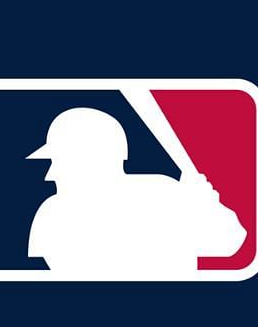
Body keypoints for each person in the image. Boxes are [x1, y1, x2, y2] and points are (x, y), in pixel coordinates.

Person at [26, 107, 245, 275]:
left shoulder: (165, 193)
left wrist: (205, 207)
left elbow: (230, 243)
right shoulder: (55, 213)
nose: (50, 174)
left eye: (61, 161)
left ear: (96, 158)